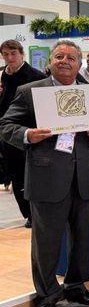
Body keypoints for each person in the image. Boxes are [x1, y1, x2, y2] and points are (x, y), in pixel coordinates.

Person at [0, 40, 89, 307]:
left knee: (81, 238)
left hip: (81, 175)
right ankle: (46, 295)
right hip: (47, 175)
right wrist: (27, 135)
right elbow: (6, 125)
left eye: (71, 57)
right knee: (46, 242)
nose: (64, 61)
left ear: (79, 63)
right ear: (50, 61)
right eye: (59, 56)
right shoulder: (30, 92)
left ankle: (75, 285)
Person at [0, 40, 46, 227]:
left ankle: (37, 214)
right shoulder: (3, 75)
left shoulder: (35, 76)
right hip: (8, 134)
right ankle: (28, 213)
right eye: (5, 54)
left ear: (22, 54)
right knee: (16, 174)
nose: (9, 58)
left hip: (31, 134)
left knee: (33, 176)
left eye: (13, 54)